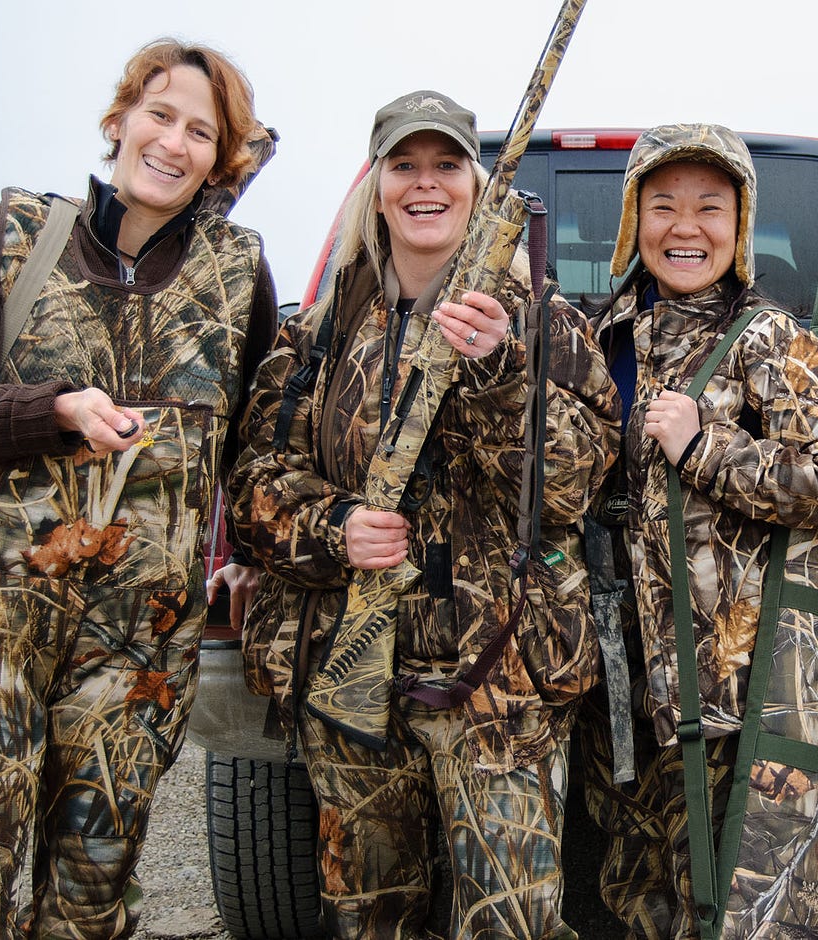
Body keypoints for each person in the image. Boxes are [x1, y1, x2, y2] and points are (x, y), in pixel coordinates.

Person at [0, 38, 278, 938]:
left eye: (199, 132)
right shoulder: (17, 232)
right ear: (119, 121)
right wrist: (52, 409)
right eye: (159, 115)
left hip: (136, 652)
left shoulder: (235, 272)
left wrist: (249, 559)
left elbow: (255, 443)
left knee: (91, 898)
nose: (172, 143)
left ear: (221, 159)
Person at [226, 89, 619, 939]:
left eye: (447, 165)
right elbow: (253, 480)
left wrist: (500, 371)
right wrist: (335, 530)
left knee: (513, 922)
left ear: (478, 188)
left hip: (497, 680)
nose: (425, 184)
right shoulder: (322, 332)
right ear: (376, 187)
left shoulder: (545, 321)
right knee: (369, 915)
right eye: (404, 165)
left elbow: (570, 489)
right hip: (349, 669)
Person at [580, 123, 818, 939]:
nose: (686, 227)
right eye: (663, 204)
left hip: (735, 699)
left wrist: (707, 447)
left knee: (731, 909)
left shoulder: (769, 339)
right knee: (640, 895)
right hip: (628, 690)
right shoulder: (601, 336)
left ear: (740, 227)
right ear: (633, 222)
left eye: (710, 207)